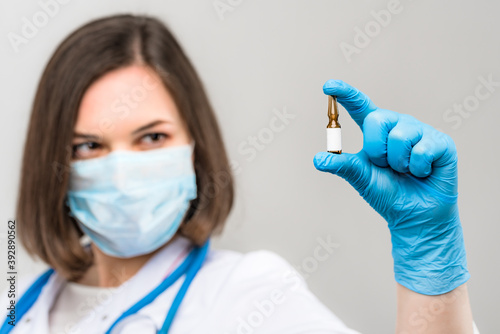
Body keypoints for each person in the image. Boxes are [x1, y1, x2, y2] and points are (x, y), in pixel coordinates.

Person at [0, 14, 479, 334]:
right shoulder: (23, 305)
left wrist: (429, 256)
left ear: (195, 147)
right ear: (55, 167)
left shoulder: (251, 296)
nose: (123, 171)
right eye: (89, 146)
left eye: (152, 138)